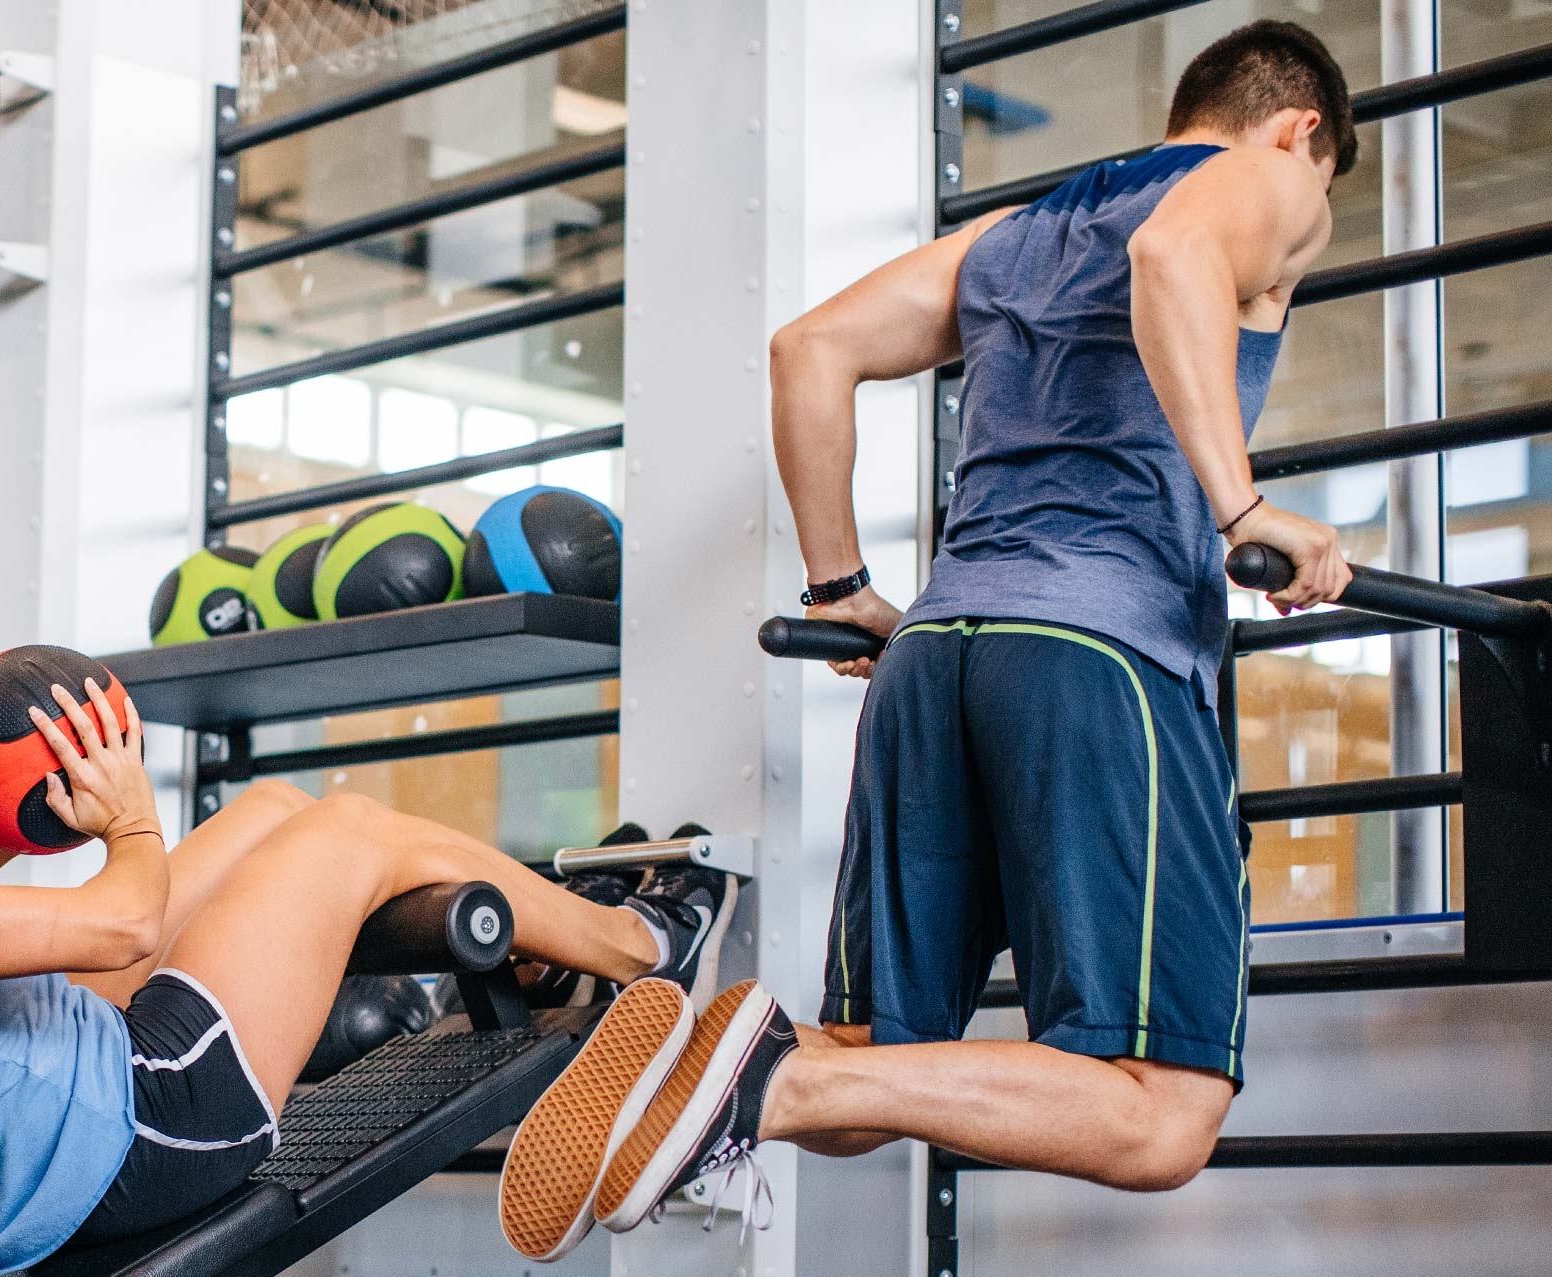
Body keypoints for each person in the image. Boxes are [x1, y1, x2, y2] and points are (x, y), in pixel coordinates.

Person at [499, 19, 1360, 1247]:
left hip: (938, 653)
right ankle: (761, 1079)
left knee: (864, 1071)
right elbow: (1175, 250)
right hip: (1097, 656)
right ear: (1300, 126)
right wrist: (1244, 505)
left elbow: (812, 349)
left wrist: (841, 584)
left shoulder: (1021, 236)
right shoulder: (1273, 177)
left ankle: (710, 1059)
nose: (1300, 223)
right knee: (1163, 1114)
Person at [0, 660, 734, 1275]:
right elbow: (120, 933)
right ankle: (648, 941)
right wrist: (128, 818)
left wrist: (3, 824)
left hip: (45, 1157)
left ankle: (548, 930)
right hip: (144, 1128)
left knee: (265, 812)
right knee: (351, 831)